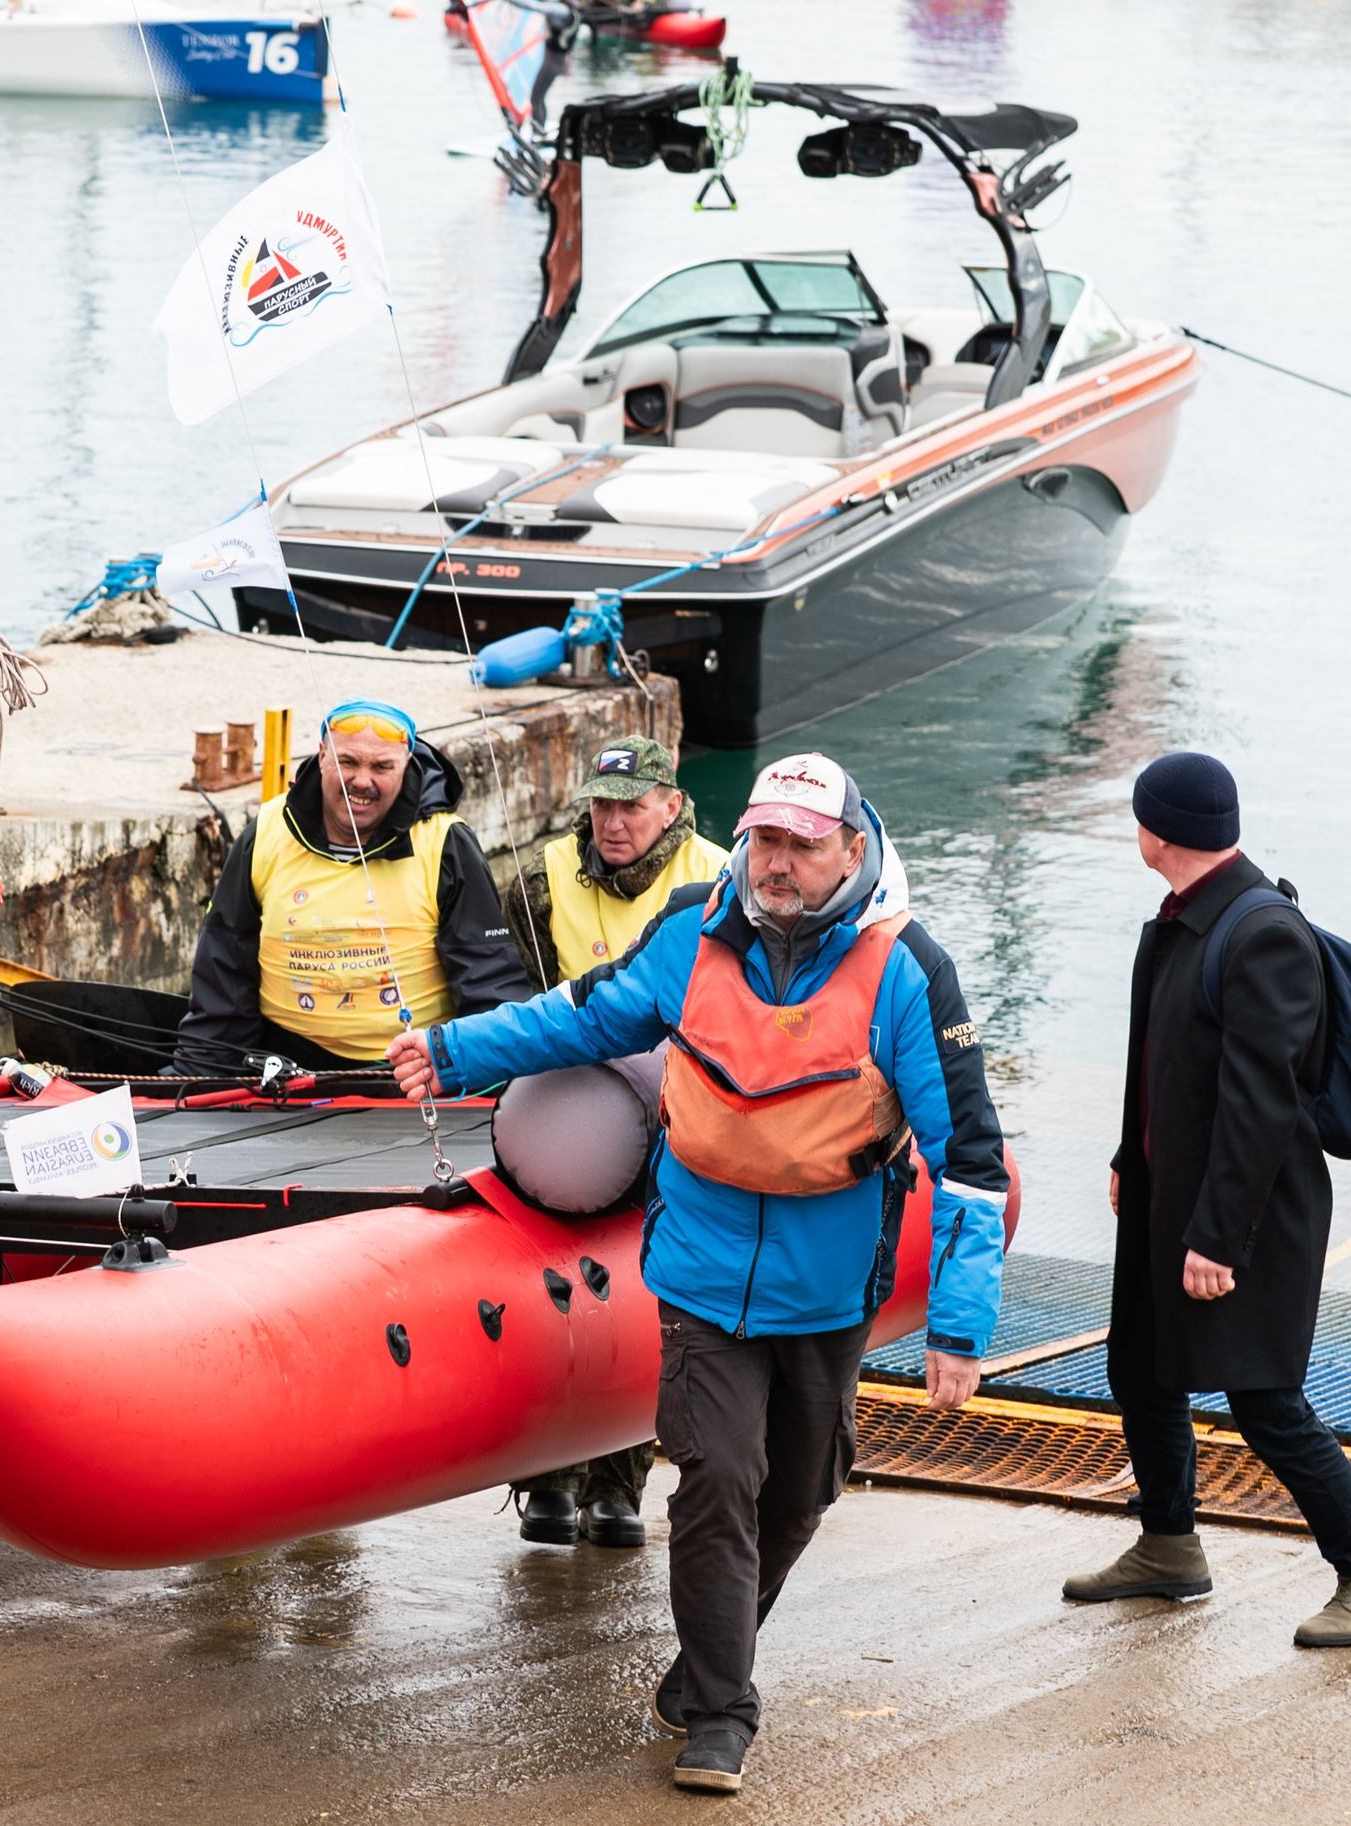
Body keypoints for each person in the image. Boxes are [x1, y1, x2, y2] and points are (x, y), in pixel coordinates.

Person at [386, 751, 1008, 1796]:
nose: (776, 863)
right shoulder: (692, 930)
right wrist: (449, 1051)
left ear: (851, 850)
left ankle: (704, 1660)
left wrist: (957, 1325)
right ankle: (722, 1710)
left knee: (801, 1490)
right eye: (763, 839)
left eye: (802, 846)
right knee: (718, 1479)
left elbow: (971, 1166)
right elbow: (584, 1013)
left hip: (827, 1285)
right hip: (701, 1274)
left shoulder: (906, 969)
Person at [1063, 751, 1351, 1647]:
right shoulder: (1186, 916)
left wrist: (1219, 1239)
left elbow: (1262, 1105)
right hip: (1167, 1199)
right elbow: (1162, 1063)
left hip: (1248, 1216)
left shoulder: (1261, 932)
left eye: (1139, 814)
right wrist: (1127, 1156)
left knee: (1267, 1403)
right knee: (1141, 1367)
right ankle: (1169, 1546)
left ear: (1162, 831)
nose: (1134, 828)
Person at [503, 734, 731, 1550]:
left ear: (671, 806)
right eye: (602, 805)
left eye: (633, 805)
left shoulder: (720, 877)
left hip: (685, 1112)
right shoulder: (540, 881)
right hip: (571, 1107)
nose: (614, 822)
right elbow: (518, 999)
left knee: (645, 1296)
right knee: (547, 1283)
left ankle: (618, 1483)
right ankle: (543, 1483)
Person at [170, 700, 533, 1075]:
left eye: (381, 767)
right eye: (348, 762)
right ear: (322, 755)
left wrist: (487, 1072)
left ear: (407, 764)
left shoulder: (446, 842)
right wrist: (200, 1073)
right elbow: (224, 966)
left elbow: (489, 979)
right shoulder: (265, 832)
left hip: (412, 1070)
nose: (362, 781)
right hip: (285, 1066)